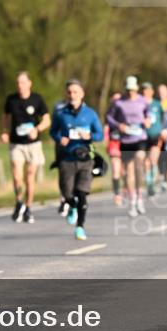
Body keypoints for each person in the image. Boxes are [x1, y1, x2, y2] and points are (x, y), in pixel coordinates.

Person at [51, 79, 105, 240]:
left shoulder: (90, 114)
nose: (72, 95)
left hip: (85, 158)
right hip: (67, 158)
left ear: (82, 94)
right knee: (67, 193)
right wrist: (60, 138)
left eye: (75, 92)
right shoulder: (61, 114)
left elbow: (100, 134)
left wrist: (89, 136)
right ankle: (71, 205)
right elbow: (53, 132)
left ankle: (80, 227)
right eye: (69, 92)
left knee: (82, 193)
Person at [2, 72, 50, 224]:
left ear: (30, 83)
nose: (20, 86)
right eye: (18, 83)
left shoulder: (37, 99)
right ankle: (19, 202)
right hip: (17, 143)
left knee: (30, 176)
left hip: (33, 144)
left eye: (23, 82)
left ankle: (28, 208)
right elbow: (5, 117)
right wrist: (4, 131)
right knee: (17, 176)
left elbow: (47, 119)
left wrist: (37, 129)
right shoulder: (11, 99)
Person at [106, 76, 153, 217]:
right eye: (128, 90)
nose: (130, 92)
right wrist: (118, 125)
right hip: (126, 139)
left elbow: (148, 114)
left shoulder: (142, 100)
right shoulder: (118, 103)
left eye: (133, 90)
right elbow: (109, 117)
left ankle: (140, 197)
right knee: (128, 172)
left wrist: (148, 120)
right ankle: (133, 200)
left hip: (140, 137)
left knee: (139, 162)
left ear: (136, 89)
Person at [141, 82, 164, 197]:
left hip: (155, 135)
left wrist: (163, 131)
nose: (146, 92)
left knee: (153, 159)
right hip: (143, 136)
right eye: (144, 90)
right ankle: (149, 183)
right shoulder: (139, 104)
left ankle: (153, 184)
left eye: (148, 90)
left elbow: (164, 118)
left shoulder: (157, 104)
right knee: (146, 162)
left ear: (152, 92)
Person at [104, 92, 125, 206]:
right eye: (114, 100)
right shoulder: (109, 114)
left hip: (126, 143)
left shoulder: (126, 112)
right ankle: (117, 194)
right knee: (116, 170)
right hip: (114, 143)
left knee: (124, 171)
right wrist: (106, 140)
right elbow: (106, 128)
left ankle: (127, 189)